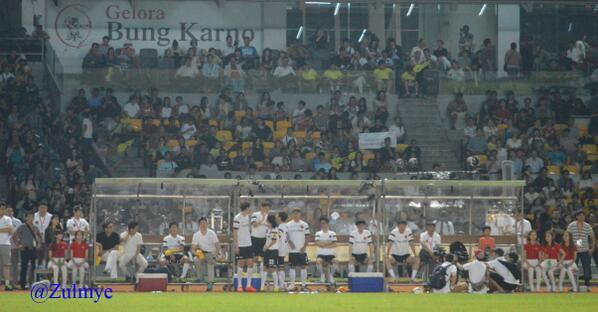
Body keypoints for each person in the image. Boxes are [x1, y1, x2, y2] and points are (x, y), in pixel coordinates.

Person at [566, 211, 595, 291]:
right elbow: (567, 236)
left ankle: (587, 285)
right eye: (580, 215)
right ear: (576, 217)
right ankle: (574, 285)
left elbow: (592, 237)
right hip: (574, 250)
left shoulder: (587, 226)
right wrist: (568, 248)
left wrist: (592, 248)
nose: (582, 217)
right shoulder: (571, 225)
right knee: (573, 268)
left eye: (583, 215)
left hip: (585, 250)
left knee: (586, 267)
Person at [13, 212, 42, 289]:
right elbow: (14, 235)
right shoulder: (22, 226)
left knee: (34, 266)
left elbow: (40, 236)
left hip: (33, 249)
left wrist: (39, 244)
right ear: (26, 218)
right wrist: (18, 245)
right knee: (24, 267)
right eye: (29, 217)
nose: (31, 219)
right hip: (25, 249)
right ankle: (23, 284)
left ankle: (34, 282)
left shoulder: (35, 227)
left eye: (32, 217)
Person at [191, 217, 221, 291]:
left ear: (207, 224)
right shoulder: (196, 235)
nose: (203, 225)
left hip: (212, 253)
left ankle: (210, 283)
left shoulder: (212, 233)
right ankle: (200, 278)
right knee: (195, 260)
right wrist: (198, 255)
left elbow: (218, 247)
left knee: (210, 262)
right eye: (201, 223)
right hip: (202, 253)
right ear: (199, 225)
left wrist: (215, 257)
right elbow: (193, 249)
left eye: (205, 223)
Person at [233, 202, 256, 292]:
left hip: (248, 243)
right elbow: (234, 232)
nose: (250, 210)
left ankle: (248, 285)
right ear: (246, 208)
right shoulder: (237, 218)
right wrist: (236, 245)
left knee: (250, 263)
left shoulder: (247, 217)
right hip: (241, 244)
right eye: (249, 208)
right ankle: (239, 285)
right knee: (241, 263)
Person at [286, 208, 310, 291]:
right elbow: (286, 236)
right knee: (292, 267)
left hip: (302, 250)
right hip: (292, 250)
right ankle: (292, 285)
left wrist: (304, 247)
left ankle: (304, 285)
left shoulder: (304, 225)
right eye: (294, 213)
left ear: (300, 214)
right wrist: (289, 242)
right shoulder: (288, 225)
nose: (296, 215)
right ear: (292, 214)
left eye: (297, 213)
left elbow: (307, 237)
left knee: (303, 267)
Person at [251, 202, 270, 283]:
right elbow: (254, 224)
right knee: (255, 258)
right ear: (262, 207)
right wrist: (262, 221)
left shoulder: (268, 216)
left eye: (268, 208)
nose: (267, 209)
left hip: (264, 238)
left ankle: (262, 277)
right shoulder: (255, 214)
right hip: (255, 238)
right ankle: (254, 274)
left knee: (263, 258)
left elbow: (270, 226)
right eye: (266, 208)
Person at [315, 217, 337, 286]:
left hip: (331, 255)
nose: (322, 225)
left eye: (324, 223)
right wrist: (329, 242)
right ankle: (322, 275)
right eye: (321, 224)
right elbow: (318, 243)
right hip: (321, 254)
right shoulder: (318, 233)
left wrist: (325, 244)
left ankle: (331, 275)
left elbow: (335, 244)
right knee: (318, 261)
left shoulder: (332, 233)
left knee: (336, 261)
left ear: (327, 224)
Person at [262, 214, 279, 291]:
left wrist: (266, 247)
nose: (267, 222)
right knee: (265, 268)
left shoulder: (275, 230)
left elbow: (274, 241)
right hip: (267, 251)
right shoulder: (268, 229)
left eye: (267, 221)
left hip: (273, 251)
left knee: (272, 268)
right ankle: (262, 287)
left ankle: (276, 286)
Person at [33, 201, 52, 268]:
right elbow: (33, 227)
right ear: (38, 208)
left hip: (47, 240)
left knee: (47, 258)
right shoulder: (34, 216)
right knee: (37, 258)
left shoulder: (50, 217)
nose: (43, 209)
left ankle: (47, 276)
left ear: (47, 208)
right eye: (41, 207)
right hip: (37, 240)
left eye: (44, 208)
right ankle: (37, 275)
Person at [0, 202, 14, 290]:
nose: (2, 210)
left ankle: (7, 284)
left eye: (3, 209)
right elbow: (6, 229)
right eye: (1, 209)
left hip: (5, 244)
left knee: (6, 265)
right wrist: (3, 230)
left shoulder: (8, 218)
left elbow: (10, 229)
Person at [276, 211, 289, 291]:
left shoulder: (280, 226)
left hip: (280, 248)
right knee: (281, 266)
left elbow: (278, 237)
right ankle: (282, 284)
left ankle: (281, 285)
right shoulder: (286, 226)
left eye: (277, 216)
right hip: (284, 247)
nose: (276, 218)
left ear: (280, 217)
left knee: (280, 266)